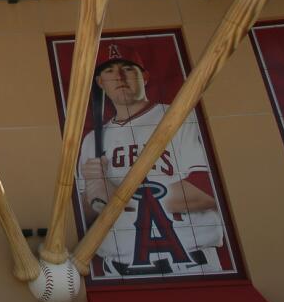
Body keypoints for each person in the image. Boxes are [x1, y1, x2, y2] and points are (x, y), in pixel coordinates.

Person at [76, 55, 227, 278]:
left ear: (145, 77)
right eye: (109, 71)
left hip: (192, 266)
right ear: (100, 82)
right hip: (118, 274)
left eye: (128, 69)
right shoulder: (92, 140)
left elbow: (206, 190)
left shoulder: (179, 117)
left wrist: (116, 197)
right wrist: (93, 196)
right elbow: (83, 214)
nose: (119, 77)